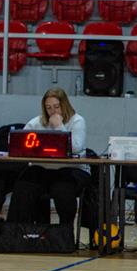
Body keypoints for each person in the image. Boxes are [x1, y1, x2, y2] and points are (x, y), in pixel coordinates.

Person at [7, 88, 89, 227]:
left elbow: (75, 147)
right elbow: (18, 140)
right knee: (24, 184)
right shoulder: (37, 122)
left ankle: (65, 231)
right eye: (48, 107)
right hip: (43, 169)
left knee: (62, 188)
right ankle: (18, 230)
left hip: (71, 170)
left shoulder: (77, 121)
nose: (53, 111)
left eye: (56, 106)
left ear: (64, 105)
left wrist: (59, 126)